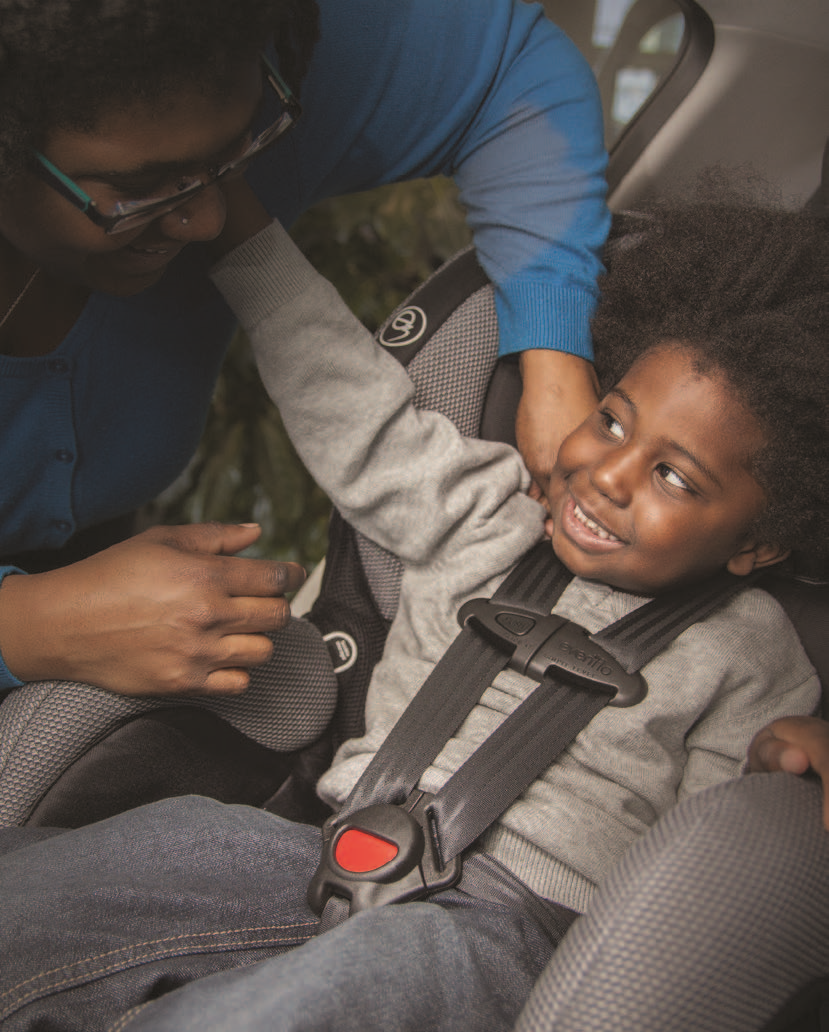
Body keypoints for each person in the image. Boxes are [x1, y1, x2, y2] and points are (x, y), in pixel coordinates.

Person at [1, 194, 827, 1031]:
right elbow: (354, 406)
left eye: (675, 478)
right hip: (324, 843)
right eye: (610, 421)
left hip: (502, 934)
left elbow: (705, 879)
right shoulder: (484, 514)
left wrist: (787, 762)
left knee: (286, 1007)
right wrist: (249, 240)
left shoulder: (754, 654)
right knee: (108, 870)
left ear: (757, 546)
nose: (609, 475)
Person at [0, 0, 609, 699]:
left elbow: (513, 74)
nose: (208, 220)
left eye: (231, 162)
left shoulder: (217, 46)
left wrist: (554, 354)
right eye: (136, 192)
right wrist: (33, 625)